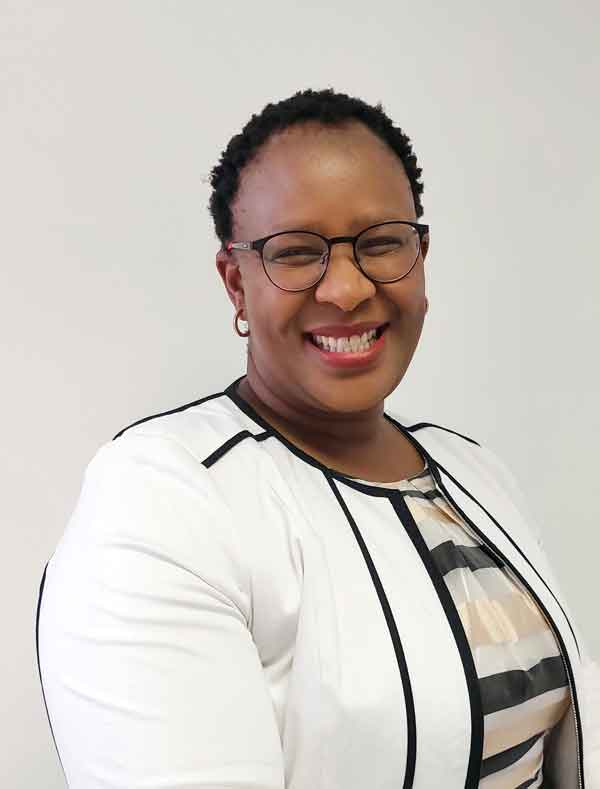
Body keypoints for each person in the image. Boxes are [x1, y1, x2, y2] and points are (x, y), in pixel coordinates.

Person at [36, 88, 599, 788]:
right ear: (236, 284)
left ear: (421, 255)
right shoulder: (164, 498)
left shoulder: (472, 471)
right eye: (297, 252)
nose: (347, 288)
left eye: (381, 242)